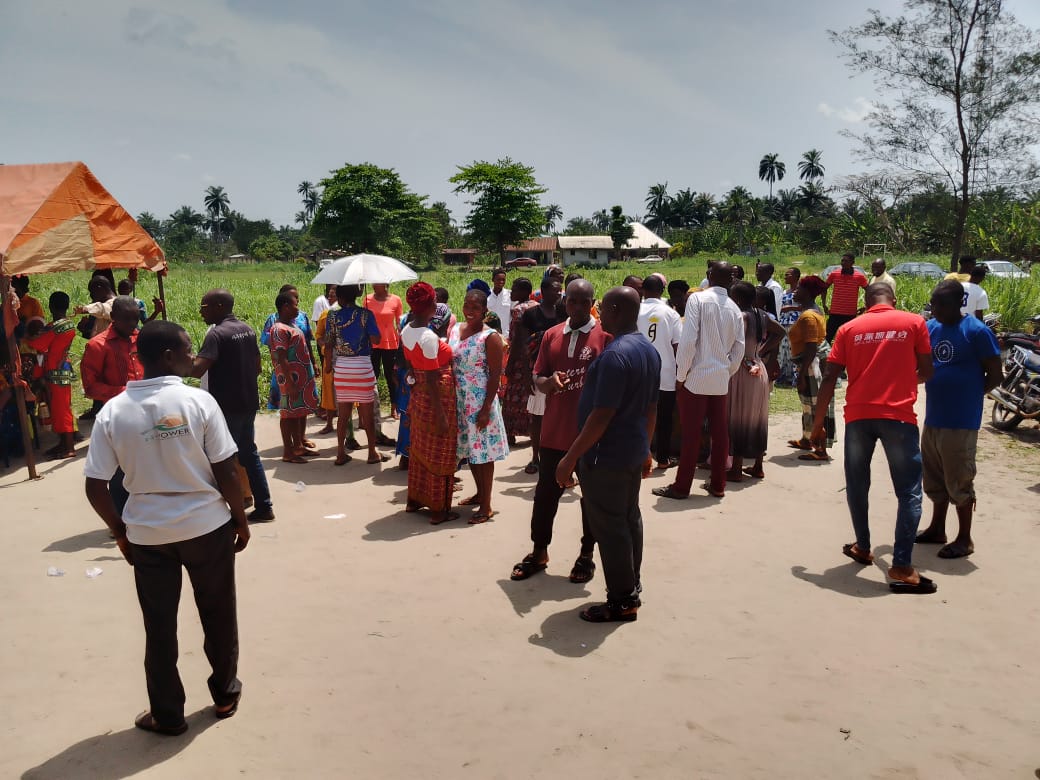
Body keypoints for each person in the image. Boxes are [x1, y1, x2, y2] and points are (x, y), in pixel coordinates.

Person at [83, 319, 249, 736]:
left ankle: (167, 714)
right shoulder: (199, 402)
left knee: (159, 626)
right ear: (168, 356)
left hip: (148, 534)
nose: (193, 355)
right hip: (206, 526)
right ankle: (225, 692)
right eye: (188, 348)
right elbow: (227, 469)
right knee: (218, 612)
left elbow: (95, 484)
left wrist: (121, 531)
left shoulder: (113, 411)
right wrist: (241, 520)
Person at [810, 283, 937, 594]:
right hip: (898, 418)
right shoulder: (913, 322)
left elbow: (830, 376)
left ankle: (863, 547)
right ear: (893, 300)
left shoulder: (849, 328)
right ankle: (902, 567)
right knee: (908, 491)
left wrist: (816, 424)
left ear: (865, 303)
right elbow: (927, 371)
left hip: (858, 416)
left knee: (857, 483)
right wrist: (904, 377)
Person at [555, 286, 659, 622]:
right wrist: (646, 447)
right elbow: (652, 408)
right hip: (630, 451)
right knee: (630, 519)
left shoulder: (616, 355)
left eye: (601, 307)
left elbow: (601, 415)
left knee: (611, 528)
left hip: (606, 457)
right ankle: (631, 585)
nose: (598, 312)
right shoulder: (647, 349)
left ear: (614, 309)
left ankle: (621, 600)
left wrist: (570, 457)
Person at [510, 279, 609, 584]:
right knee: (545, 496)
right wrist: (549, 382)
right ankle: (539, 551)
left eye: (584, 301)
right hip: (555, 432)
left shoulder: (604, 337)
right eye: (572, 301)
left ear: (593, 302)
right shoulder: (552, 335)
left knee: (591, 499)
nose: (578, 307)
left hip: (590, 435)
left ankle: (586, 555)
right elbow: (537, 378)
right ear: (565, 302)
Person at [915, 281, 1002, 559]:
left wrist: (970, 394)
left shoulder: (977, 332)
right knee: (935, 475)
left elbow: (995, 374)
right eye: (933, 303)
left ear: (958, 304)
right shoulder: (931, 328)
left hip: (961, 419)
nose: (935, 309)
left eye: (941, 304)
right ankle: (937, 528)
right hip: (934, 416)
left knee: (959, 478)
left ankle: (965, 538)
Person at [654, 261, 743, 500]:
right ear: (731, 280)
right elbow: (739, 349)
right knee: (719, 432)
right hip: (720, 377)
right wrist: (727, 371)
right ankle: (718, 485)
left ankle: (682, 487)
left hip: (695, 377)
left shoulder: (697, 299)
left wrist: (681, 376)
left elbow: (688, 340)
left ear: (709, 276)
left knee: (691, 434)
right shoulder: (734, 308)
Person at [189, 289, 275, 523]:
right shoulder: (246, 329)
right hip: (247, 401)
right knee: (249, 453)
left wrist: (177, 359)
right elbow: (257, 366)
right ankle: (264, 506)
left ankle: (228, 510)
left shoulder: (216, 334)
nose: (200, 311)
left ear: (219, 306)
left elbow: (197, 370)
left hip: (226, 405)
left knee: (221, 457)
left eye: (204, 307)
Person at [81, 296, 146, 513]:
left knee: (148, 466)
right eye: (127, 320)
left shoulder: (142, 339)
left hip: (148, 413)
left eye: (136, 319)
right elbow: (90, 387)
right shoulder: (97, 346)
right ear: (113, 317)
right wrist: (125, 392)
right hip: (120, 417)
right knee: (120, 471)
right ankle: (120, 518)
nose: (133, 325)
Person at [401, 282, 458, 525]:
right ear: (428, 307)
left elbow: (412, 367)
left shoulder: (406, 331)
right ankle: (438, 510)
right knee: (440, 452)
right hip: (437, 397)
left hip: (419, 393)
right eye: (434, 301)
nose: (437, 305)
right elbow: (434, 378)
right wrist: (442, 415)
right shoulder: (428, 338)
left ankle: (414, 499)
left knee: (420, 448)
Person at [449, 290, 508, 523]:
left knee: (484, 453)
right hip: (460, 398)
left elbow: (495, 375)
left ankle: (486, 505)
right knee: (472, 452)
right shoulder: (456, 329)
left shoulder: (490, 337)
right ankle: (479, 494)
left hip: (480, 400)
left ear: (485, 310)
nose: (470, 310)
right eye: (466, 305)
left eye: (475, 307)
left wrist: (485, 409)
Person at [726, 282, 784, 481]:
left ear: (738, 299)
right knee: (758, 418)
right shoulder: (763, 315)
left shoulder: (741, 317)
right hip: (758, 367)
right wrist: (762, 350)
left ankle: (737, 468)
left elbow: (734, 345)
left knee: (739, 417)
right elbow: (781, 332)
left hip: (742, 369)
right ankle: (758, 465)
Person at [324, 285, 387, 466]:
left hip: (342, 367)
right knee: (366, 413)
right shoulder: (366, 315)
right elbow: (376, 340)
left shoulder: (332, 316)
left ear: (341, 298)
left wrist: (328, 365)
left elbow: (328, 343)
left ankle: (340, 453)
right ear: (357, 295)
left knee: (343, 413)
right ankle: (372, 453)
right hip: (362, 366)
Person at [517, 278, 564, 474]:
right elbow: (524, 345)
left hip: (559, 370)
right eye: (555, 290)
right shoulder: (531, 314)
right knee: (537, 417)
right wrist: (527, 376)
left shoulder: (563, 312)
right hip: (537, 369)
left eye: (560, 290)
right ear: (543, 291)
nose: (558, 294)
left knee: (559, 416)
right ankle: (535, 458)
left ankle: (556, 458)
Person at [637, 274, 682, 470]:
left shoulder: (634, 309)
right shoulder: (670, 313)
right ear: (662, 291)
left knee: (636, 416)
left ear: (642, 291)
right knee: (664, 418)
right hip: (665, 373)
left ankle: (636, 457)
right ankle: (663, 458)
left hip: (636, 372)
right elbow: (677, 346)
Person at [24, 292, 77, 459]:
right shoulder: (69, 323)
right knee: (59, 408)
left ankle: (69, 447)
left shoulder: (55, 326)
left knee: (61, 410)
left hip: (55, 371)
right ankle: (62, 443)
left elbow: (37, 343)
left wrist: (25, 337)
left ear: (51, 306)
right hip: (63, 368)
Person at [787, 276, 835, 461]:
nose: (795, 291)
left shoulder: (808, 316)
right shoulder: (811, 310)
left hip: (810, 366)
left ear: (807, 292)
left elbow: (811, 347)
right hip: (809, 363)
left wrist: (801, 375)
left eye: (798, 288)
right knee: (808, 405)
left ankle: (820, 449)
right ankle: (807, 439)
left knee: (815, 406)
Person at [268, 292, 319, 463]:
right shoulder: (278, 329)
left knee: (298, 412)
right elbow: (281, 358)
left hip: (300, 378)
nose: (298, 307)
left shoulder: (290, 325)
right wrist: (290, 382)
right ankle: (288, 452)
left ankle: (298, 446)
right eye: (295, 304)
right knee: (288, 415)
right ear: (285, 306)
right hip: (290, 379)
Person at [503, 278, 537, 442]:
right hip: (533, 356)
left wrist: (510, 363)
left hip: (519, 358)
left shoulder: (518, 310)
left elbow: (517, 339)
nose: (511, 291)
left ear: (524, 291)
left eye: (515, 288)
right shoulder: (536, 306)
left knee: (512, 396)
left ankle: (510, 433)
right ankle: (532, 431)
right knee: (529, 395)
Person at [365, 283, 404, 420]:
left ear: (385, 284)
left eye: (377, 282)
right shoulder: (367, 299)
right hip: (373, 342)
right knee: (372, 375)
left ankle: (394, 407)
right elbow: (365, 321)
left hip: (390, 342)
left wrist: (403, 341)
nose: (373, 285)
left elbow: (400, 323)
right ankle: (371, 408)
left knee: (391, 376)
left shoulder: (396, 300)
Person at [821, 253, 868, 345]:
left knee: (851, 339)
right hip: (835, 312)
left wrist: (866, 306)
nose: (843, 263)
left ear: (852, 263)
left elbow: (869, 290)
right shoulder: (834, 274)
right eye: (842, 260)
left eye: (846, 261)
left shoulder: (859, 277)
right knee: (827, 338)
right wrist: (824, 304)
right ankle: (825, 357)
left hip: (850, 314)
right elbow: (824, 288)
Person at [776, 267, 802, 386]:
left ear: (796, 276)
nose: (785, 277)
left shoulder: (801, 291)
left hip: (795, 322)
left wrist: (791, 308)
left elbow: (807, 306)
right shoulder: (785, 292)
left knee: (794, 349)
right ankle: (784, 375)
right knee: (783, 350)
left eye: (788, 275)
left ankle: (796, 377)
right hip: (784, 322)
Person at [487, 268, 513, 339]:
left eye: (503, 280)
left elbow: (513, 315)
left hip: (505, 335)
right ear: (492, 279)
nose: (501, 282)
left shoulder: (510, 295)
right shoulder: (486, 294)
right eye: (498, 279)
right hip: (488, 334)